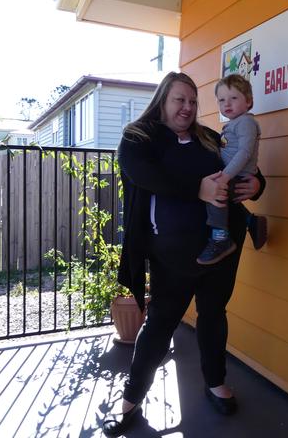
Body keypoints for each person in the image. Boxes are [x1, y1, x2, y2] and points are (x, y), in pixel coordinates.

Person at [102, 72, 265, 437]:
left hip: (221, 248)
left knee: (213, 315)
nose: (188, 107)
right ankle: (130, 400)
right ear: (163, 99)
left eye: (193, 101)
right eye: (180, 99)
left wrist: (258, 184)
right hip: (172, 255)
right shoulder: (139, 137)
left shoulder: (208, 137)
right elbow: (145, 176)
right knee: (159, 324)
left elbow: (243, 160)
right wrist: (199, 190)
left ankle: (214, 383)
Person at [197, 74, 268, 265]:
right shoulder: (233, 124)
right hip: (235, 174)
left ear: (249, 101)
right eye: (221, 100)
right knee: (224, 196)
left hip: (239, 175)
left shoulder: (246, 122)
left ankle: (220, 239)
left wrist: (225, 177)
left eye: (234, 98)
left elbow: (245, 152)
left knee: (216, 193)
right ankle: (250, 221)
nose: (227, 103)